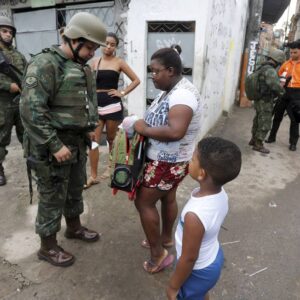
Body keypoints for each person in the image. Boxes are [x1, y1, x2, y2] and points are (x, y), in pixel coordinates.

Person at [20, 12, 107, 267]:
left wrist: (88, 129)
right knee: (52, 195)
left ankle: (74, 228)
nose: (93, 52)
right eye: (90, 46)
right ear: (73, 39)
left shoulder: (82, 67)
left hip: (76, 143)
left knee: (74, 189)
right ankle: (47, 247)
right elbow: (31, 110)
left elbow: (84, 104)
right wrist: (54, 144)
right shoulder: (45, 64)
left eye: (95, 48)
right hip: (50, 147)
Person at [134, 46, 201, 274]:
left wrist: (142, 128)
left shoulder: (182, 94)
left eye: (156, 71)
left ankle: (158, 255)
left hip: (168, 161)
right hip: (166, 159)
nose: (152, 75)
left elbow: (175, 131)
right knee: (167, 196)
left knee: (144, 201)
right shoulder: (170, 90)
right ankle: (165, 238)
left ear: (170, 70)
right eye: (151, 71)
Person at [166, 137, 242, 300]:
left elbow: (189, 258)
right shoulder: (221, 194)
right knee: (200, 293)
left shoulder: (195, 215)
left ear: (201, 174)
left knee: (188, 294)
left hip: (198, 270)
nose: (189, 161)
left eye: (193, 159)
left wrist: (173, 286)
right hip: (213, 257)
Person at [84, 32, 140, 188]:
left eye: (112, 44)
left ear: (116, 46)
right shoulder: (94, 62)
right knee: (94, 140)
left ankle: (111, 167)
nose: (108, 46)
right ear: (102, 44)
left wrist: (122, 92)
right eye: (106, 43)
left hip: (112, 104)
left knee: (110, 139)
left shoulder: (119, 62)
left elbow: (136, 80)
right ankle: (93, 175)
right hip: (96, 105)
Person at [0, 16, 27, 186]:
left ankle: (34, 163)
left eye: (10, 32)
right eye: (4, 31)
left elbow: (27, 74)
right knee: (1, 138)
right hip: (2, 103)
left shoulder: (18, 55)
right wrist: (6, 85)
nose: (8, 34)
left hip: (20, 102)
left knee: (27, 135)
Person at [249, 48, 285, 154]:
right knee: (265, 122)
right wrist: (282, 92)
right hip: (265, 100)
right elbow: (275, 85)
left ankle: (253, 139)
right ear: (277, 60)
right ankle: (258, 144)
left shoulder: (260, 67)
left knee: (257, 119)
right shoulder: (270, 70)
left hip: (258, 99)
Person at [266, 41, 300, 151]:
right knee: (277, 116)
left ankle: (293, 143)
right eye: (291, 52)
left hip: (297, 94)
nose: (292, 55)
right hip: (284, 92)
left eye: (295, 52)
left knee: (295, 119)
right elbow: (279, 75)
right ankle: (272, 137)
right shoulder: (286, 64)